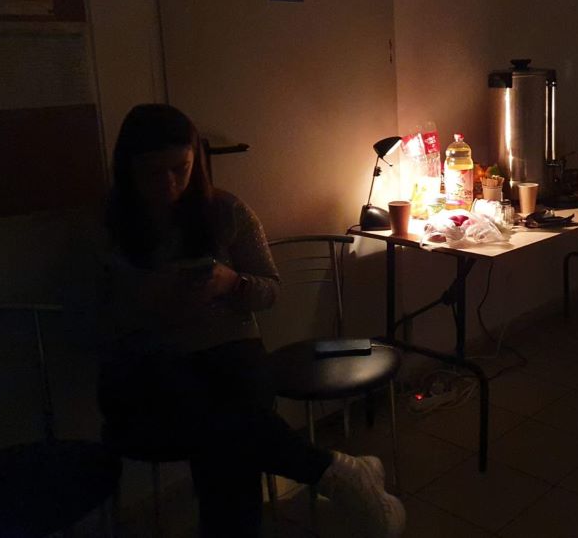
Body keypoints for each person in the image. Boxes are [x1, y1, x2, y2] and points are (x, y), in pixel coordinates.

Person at [96, 103, 404, 538]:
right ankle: (339, 473)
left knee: (225, 431)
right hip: (152, 357)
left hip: (228, 346)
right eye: (153, 173)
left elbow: (270, 289)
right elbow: (96, 317)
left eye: (180, 169)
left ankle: (339, 476)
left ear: (195, 162)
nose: (169, 184)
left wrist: (231, 283)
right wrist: (143, 301)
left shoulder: (224, 211)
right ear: (127, 169)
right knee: (226, 430)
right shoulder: (112, 224)